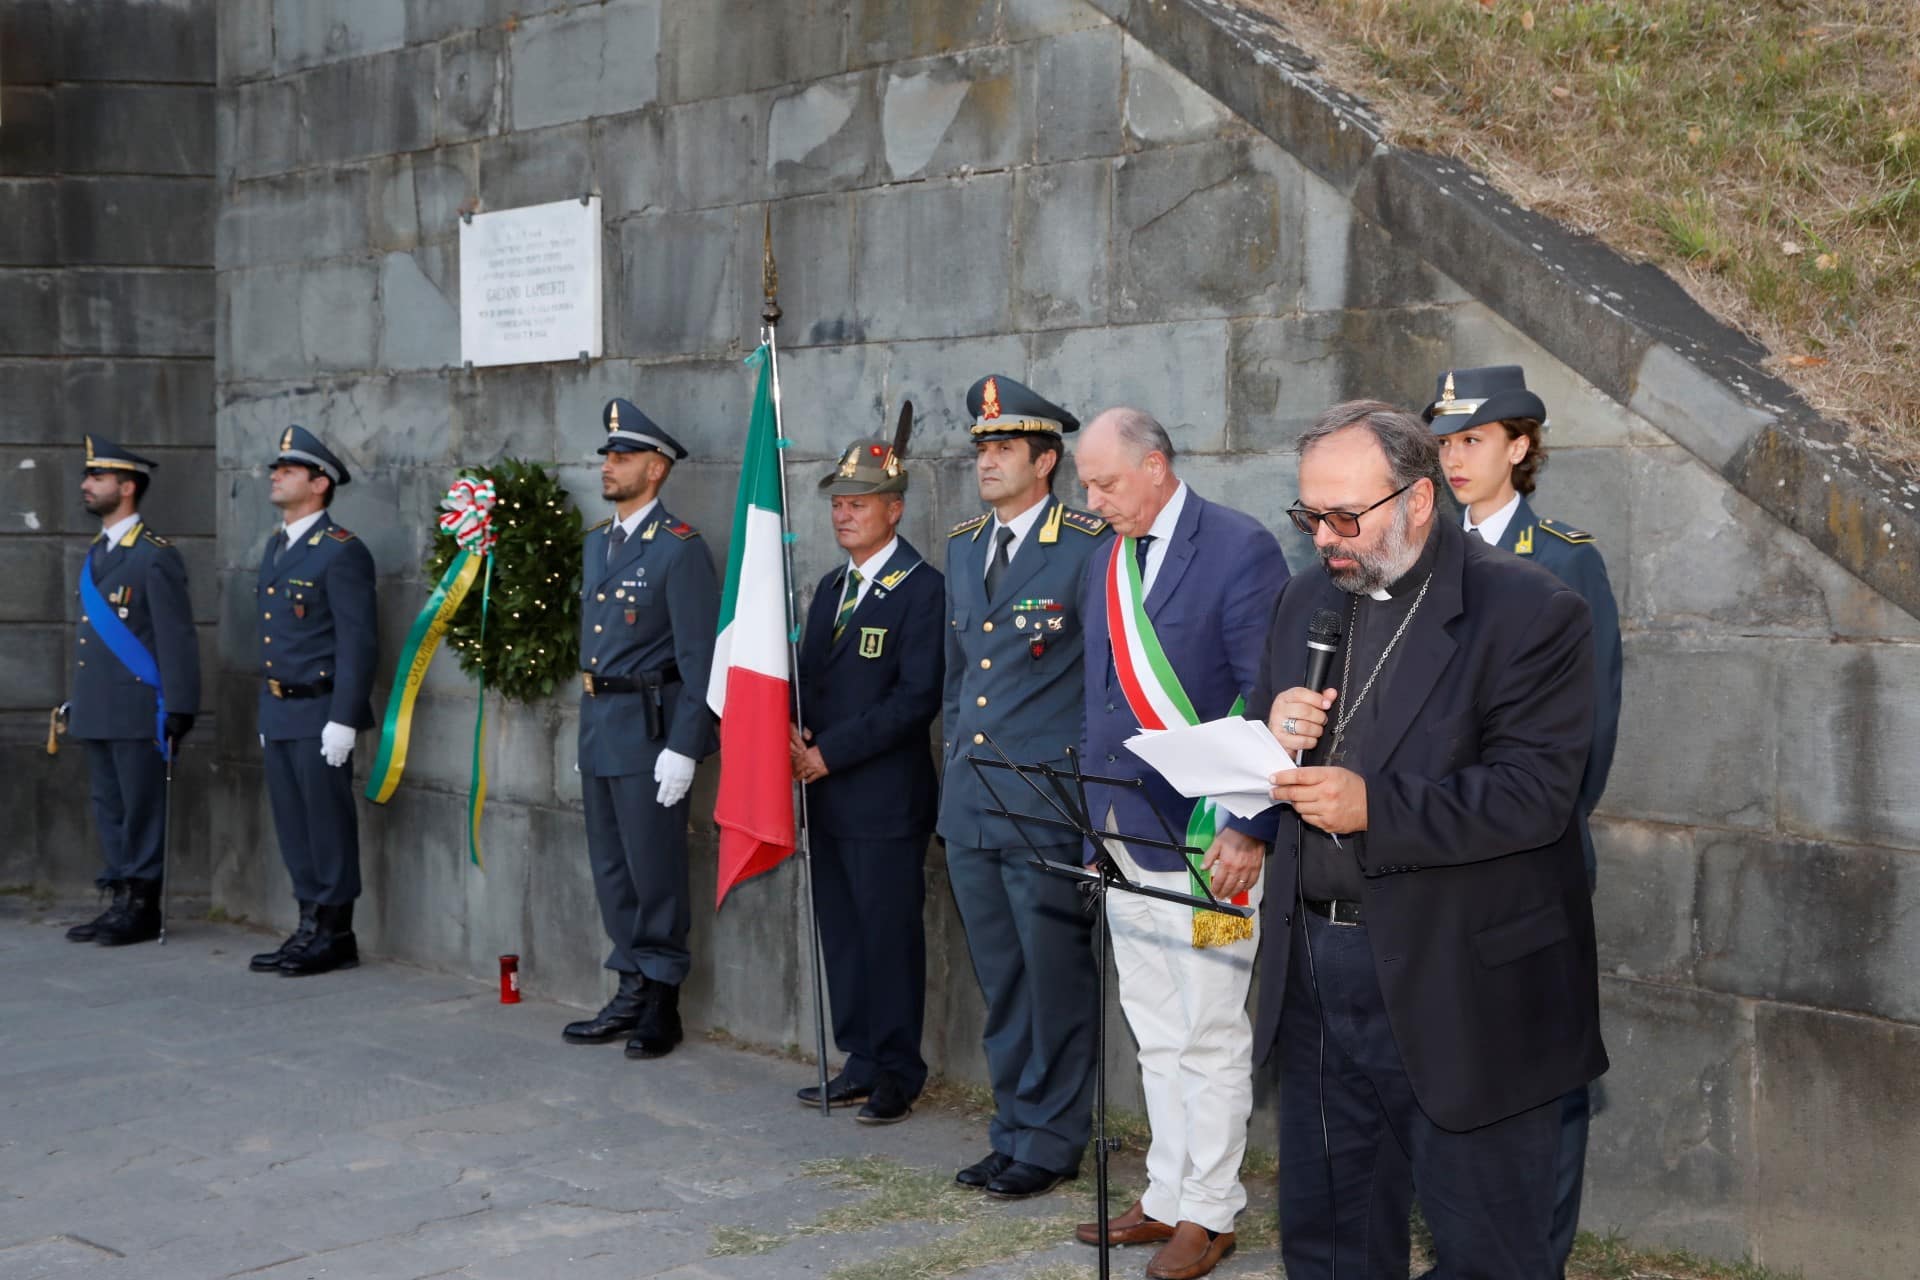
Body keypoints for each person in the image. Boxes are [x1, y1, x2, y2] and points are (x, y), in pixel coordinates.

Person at [1252, 400, 1607, 1279]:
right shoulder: (1307, 597)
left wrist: (1375, 806)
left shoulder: (1529, 609)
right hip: (1320, 978)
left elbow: (1536, 796)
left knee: (1488, 1249)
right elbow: (1290, 762)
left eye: (1344, 516)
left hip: (1463, 983)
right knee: (1331, 1240)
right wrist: (1274, 729)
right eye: (1310, 517)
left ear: (1416, 500)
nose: (1325, 537)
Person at [1070, 409, 1290, 1279]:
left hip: (1211, 840)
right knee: (1154, 1025)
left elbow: (1267, 697)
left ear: (1156, 466)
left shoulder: (1238, 548)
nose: (1092, 500)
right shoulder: (1105, 561)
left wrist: (1251, 826)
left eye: (1106, 483)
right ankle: (1165, 1193)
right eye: (1085, 484)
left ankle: (1212, 1208)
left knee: (1210, 1030)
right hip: (1124, 831)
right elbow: (1097, 706)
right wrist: (1093, 830)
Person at [1426, 364, 1623, 1275]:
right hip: (1431, 859)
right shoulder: (1418, 552)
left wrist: (1514, 834)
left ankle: (1534, 1260)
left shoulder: (1565, 559)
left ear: (1521, 445)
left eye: (1474, 439)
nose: (1454, 456)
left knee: (1542, 1080)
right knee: (1446, 1071)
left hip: (1525, 859)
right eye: (1444, 440)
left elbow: (1587, 734)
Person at [939, 373, 1112, 1200]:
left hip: (1044, 805)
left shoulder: (1086, 545)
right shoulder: (964, 545)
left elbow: (1102, 682)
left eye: (1004, 446)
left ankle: (1051, 1140)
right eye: (981, 447)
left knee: (1054, 981)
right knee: (1002, 980)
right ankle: (1012, 1127)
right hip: (972, 805)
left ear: (1047, 461)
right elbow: (958, 678)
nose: (987, 460)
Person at [789, 424, 944, 1125]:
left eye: (861, 500)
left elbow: (914, 699)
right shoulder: (830, 587)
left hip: (882, 798)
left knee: (887, 936)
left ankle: (898, 1068)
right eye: (838, 501)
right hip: (825, 797)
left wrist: (830, 753)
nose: (844, 511)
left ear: (895, 508)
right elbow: (813, 682)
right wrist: (792, 729)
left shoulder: (922, 589)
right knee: (845, 935)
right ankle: (859, 1057)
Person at [563, 397, 718, 1061]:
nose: (609, 464)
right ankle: (627, 983)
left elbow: (700, 661)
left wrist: (685, 747)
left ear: (655, 470)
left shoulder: (679, 551)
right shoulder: (600, 543)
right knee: (612, 868)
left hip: (652, 732)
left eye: (622, 456)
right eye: (607, 455)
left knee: (654, 869)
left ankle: (660, 996)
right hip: (603, 725)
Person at [62, 435, 200, 947]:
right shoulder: (98, 554)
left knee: (141, 807)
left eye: (96, 478)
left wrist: (181, 706)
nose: (86, 485)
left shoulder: (155, 557)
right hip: (99, 706)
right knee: (109, 805)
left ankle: (142, 904)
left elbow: (176, 638)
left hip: (139, 707)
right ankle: (120, 895)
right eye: (87, 476)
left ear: (126, 487)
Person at [251, 425, 379, 977]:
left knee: (326, 823)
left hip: (320, 708)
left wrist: (344, 719)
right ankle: (307, 923)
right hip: (281, 707)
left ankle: (335, 932)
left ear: (320, 483)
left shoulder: (341, 552)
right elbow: (273, 637)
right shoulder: (277, 546)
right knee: (294, 823)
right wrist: (266, 707)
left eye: (289, 469)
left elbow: (358, 641)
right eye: (276, 468)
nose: (275, 475)